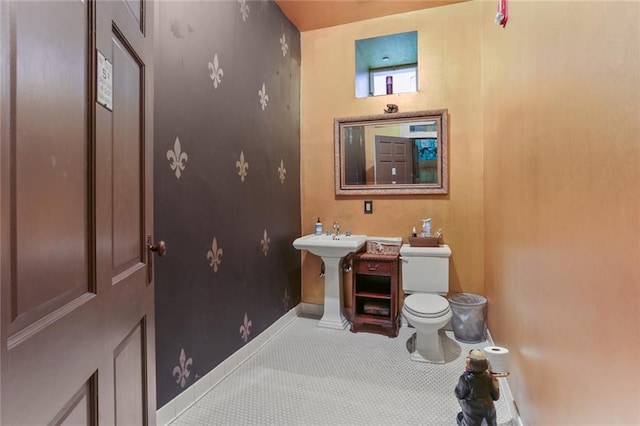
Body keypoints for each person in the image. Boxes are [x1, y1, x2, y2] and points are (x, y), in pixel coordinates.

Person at [454, 349, 500, 426]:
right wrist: (495, 382)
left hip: (472, 416)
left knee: (460, 415)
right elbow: (496, 396)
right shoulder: (488, 378)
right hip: (489, 415)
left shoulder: (465, 379)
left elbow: (459, 395)